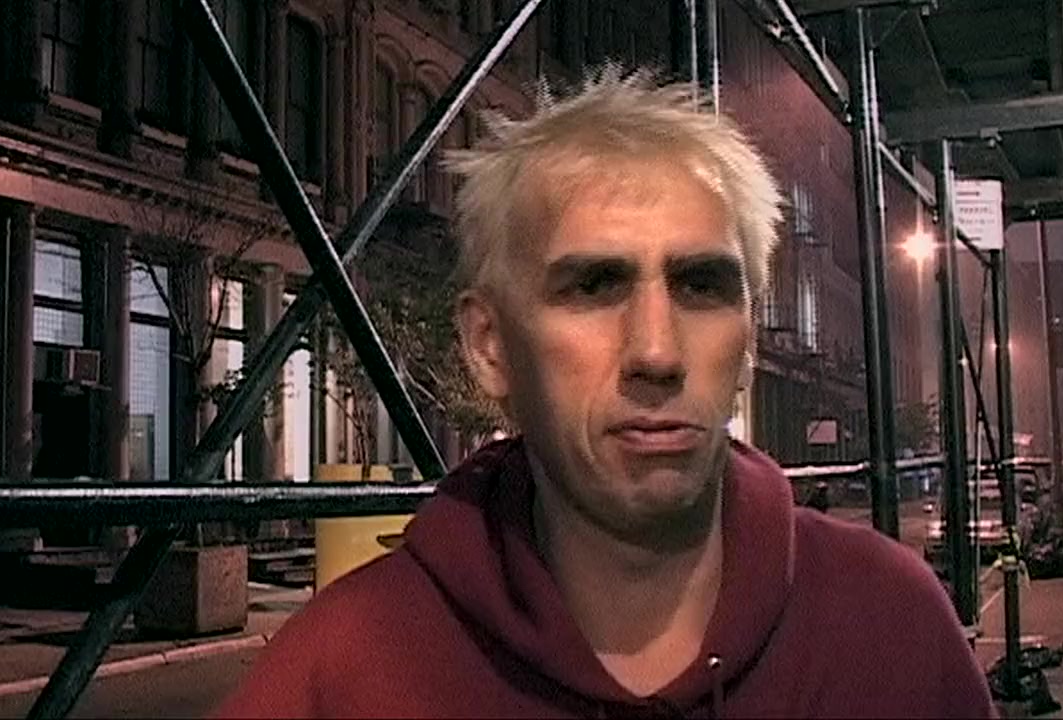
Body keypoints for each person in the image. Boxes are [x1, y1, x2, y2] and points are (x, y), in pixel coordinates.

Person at [217, 65, 997, 719]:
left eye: (702, 286)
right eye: (593, 287)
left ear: (749, 340)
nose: (657, 352)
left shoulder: (891, 628)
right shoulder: (343, 671)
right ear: (490, 346)